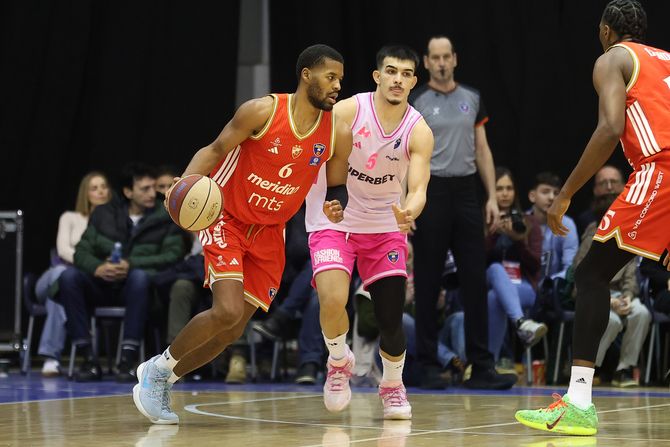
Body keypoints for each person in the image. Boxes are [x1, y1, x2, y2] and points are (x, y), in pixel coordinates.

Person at [133, 44, 352, 425]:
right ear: (306, 75)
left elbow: (337, 185)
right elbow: (215, 149)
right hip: (226, 218)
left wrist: (336, 203)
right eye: (330, 77)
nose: (337, 86)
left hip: (271, 232)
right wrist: (184, 184)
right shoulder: (262, 111)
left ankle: (165, 378)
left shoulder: (337, 132)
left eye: (340, 79)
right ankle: (157, 369)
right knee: (227, 310)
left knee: (232, 330)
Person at [515, 0, 670, 435]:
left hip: (660, 169)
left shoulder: (613, 58)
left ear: (605, 30)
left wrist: (565, 194)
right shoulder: (665, 60)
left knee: (590, 275)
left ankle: (579, 403)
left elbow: (610, 128)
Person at [305, 45, 433, 420]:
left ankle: (392, 385)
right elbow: (313, 149)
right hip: (335, 218)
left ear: (413, 81)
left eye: (406, 74)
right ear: (378, 76)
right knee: (332, 299)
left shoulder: (419, 129)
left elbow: (419, 188)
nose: (398, 80)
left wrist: (410, 211)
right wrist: (322, 194)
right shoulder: (348, 111)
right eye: (391, 71)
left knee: (390, 319)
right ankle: (338, 362)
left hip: (384, 224)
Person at [409, 36, 516, 390]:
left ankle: (481, 366)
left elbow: (482, 149)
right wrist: (408, 201)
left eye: (446, 57)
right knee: (427, 280)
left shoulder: (472, 96)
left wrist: (491, 197)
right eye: (435, 58)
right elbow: (405, 152)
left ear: (454, 59)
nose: (441, 63)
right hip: (431, 190)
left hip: (467, 192)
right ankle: (427, 364)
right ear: (426, 62)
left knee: (474, 279)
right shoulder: (416, 100)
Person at [60, 162, 186, 382]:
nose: (152, 193)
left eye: (153, 187)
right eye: (145, 189)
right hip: (102, 284)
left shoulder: (165, 216)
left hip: (141, 290)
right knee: (68, 277)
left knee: (139, 278)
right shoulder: (103, 214)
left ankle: (127, 360)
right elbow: (81, 252)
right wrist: (98, 268)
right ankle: (88, 358)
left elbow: (173, 255)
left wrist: (131, 264)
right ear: (128, 192)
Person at [34, 171, 111, 376]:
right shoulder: (70, 217)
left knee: (61, 292)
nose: (100, 192)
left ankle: (51, 358)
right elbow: (63, 250)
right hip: (55, 274)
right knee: (61, 276)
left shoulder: (111, 223)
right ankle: (64, 348)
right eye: (94, 188)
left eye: (103, 187)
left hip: (80, 285)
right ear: (85, 193)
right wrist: (94, 265)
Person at [572, 193, 650, 388]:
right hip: (596, 293)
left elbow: (631, 274)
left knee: (641, 313)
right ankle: (590, 370)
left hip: (621, 294)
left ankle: (624, 369)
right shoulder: (591, 237)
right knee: (611, 321)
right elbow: (581, 276)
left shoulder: (630, 233)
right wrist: (611, 302)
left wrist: (628, 296)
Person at [486, 167, 545, 360]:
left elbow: (536, 265)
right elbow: (476, 261)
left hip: (524, 286)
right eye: (499, 188)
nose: (504, 193)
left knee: (495, 298)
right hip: (488, 282)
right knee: (495, 268)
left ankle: (490, 363)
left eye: (509, 188)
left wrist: (518, 239)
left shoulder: (530, 222)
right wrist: (494, 234)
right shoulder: (484, 219)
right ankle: (522, 324)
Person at [527, 172, 579, 281]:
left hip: (554, 285)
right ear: (532, 196)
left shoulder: (567, 224)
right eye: (545, 192)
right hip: (526, 283)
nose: (551, 198)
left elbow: (570, 268)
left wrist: (549, 283)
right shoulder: (523, 222)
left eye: (556, 193)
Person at [575, 165, 625, 237]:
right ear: (595, 190)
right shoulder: (584, 221)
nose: (609, 187)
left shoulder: (637, 215)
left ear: (624, 186)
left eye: (614, 182)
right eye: (603, 183)